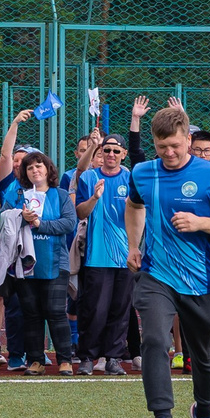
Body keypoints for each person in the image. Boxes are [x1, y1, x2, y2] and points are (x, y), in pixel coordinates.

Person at [125, 104, 210, 418]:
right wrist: (134, 246)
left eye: (176, 146)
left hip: (201, 281)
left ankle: (204, 413)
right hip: (156, 276)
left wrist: (201, 222)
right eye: (162, 147)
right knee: (154, 341)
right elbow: (134, 207)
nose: (169, 153)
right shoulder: (144, 173)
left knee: (206, 356)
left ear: (188, 140)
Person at [2, 151, 74, 370]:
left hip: (55, 262)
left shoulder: (60, 195)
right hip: (25, 263)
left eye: (39, 166)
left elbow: (69, 223)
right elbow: (2, 220)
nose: (35, 170)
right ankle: (36, 360)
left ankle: (65, 361)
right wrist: (19, 217)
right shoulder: (16, 196)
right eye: (30, 167)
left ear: (48, 169)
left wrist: (40, 225)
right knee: (31, 312)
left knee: (55, 311)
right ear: (25, 172)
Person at [75, 133, 135, 376]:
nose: (111, 155)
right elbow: (80, 212)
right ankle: (88, 357)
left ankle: (113, 358)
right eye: (106, 150)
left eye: (116, 151)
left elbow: (140, 213)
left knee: (120, 309)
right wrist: (94, 198)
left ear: (123, 154)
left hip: (125, 255)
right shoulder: (90, 177)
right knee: (94, 308)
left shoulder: (131, 178)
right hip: (97, 255)